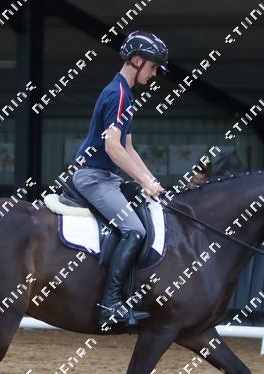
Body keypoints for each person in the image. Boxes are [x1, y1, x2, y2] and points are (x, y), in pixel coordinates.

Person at [72, 30, 169, 328]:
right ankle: (110, 304)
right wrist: (144, 182)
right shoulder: (118, 94)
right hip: (94, 177)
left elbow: (128, 147)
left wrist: (152, 181)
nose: (154, 74)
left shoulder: (126, 95)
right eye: (153, 67)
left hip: (106, 177)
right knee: (134, 230)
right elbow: (112, 148)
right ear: (137, 61)